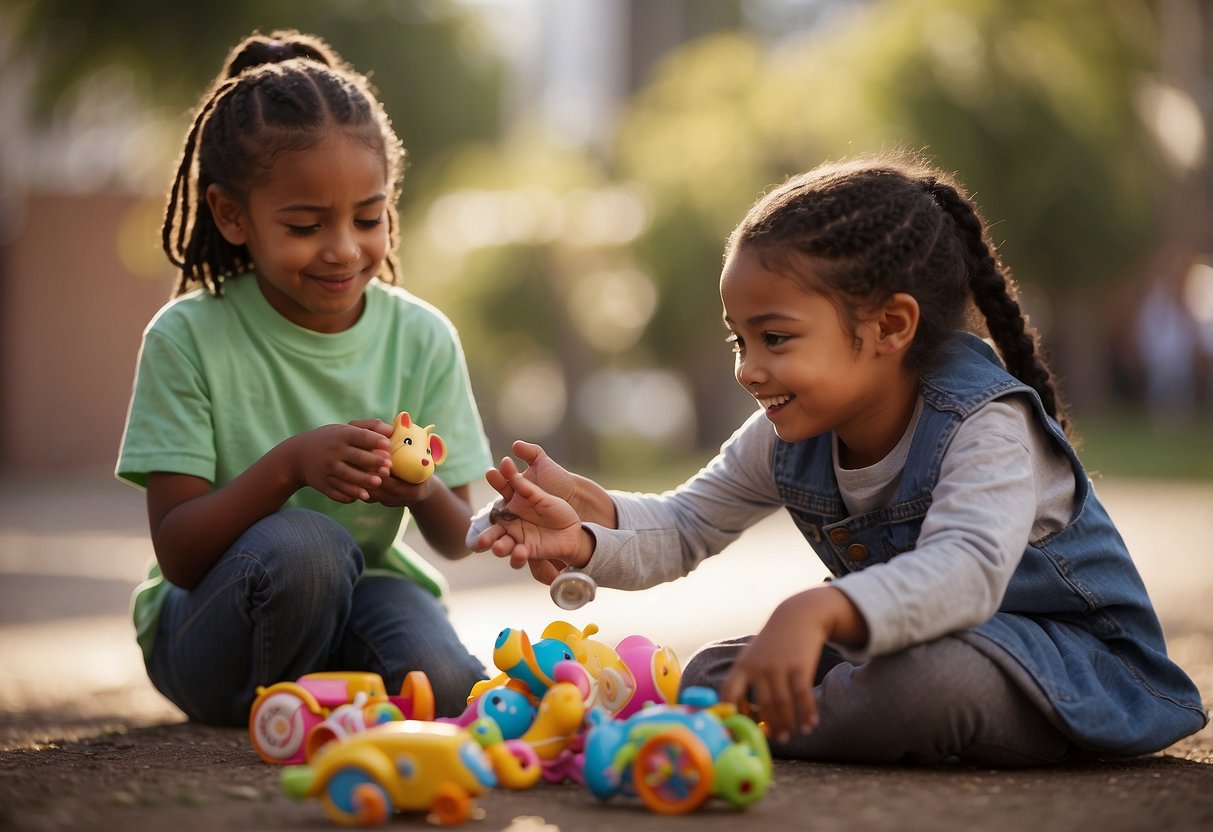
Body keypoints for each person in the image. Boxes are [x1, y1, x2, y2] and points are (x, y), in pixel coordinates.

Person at [469, 153, 1207, 765]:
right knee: (713, 673)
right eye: (739, 341)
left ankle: (743, 734)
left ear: (888, 326)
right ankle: (756, 722)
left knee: (920, 689)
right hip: (905, 649)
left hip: (1068, 667)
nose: (748, 370)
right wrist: (588, 530)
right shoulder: (790, 430)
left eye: (776, 338)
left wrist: (822, 607)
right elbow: (684, 524)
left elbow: (967, 572)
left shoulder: (984, 424)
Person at [116, 30, 490, 725]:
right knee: (310, 545)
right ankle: (282, 707)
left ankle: (329, 701)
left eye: (368, 217)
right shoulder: (188, 337)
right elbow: (179, 553)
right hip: (213, 620)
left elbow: (457, 535)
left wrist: (421, 487)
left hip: (365, 591)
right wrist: (289, 466)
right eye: (304, 225)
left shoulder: (421, 336)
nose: (344, 249)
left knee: (443, 684)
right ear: (232, 215)